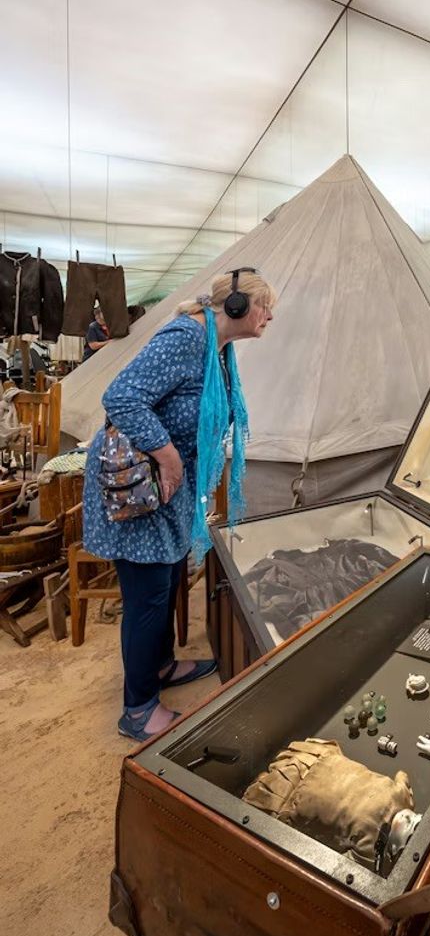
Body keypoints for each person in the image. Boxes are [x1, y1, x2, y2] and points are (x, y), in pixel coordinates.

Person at [82, 269, 276, 740]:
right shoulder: (185, 337)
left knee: (167, 581)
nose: (270, 316)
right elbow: (122, 397)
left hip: (170, 488)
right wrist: (168, 455)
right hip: (143, 485)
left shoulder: (219, 350)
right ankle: (138, 709)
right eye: (264, 306)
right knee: (147, 597)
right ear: (235, 306)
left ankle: (161, 665)